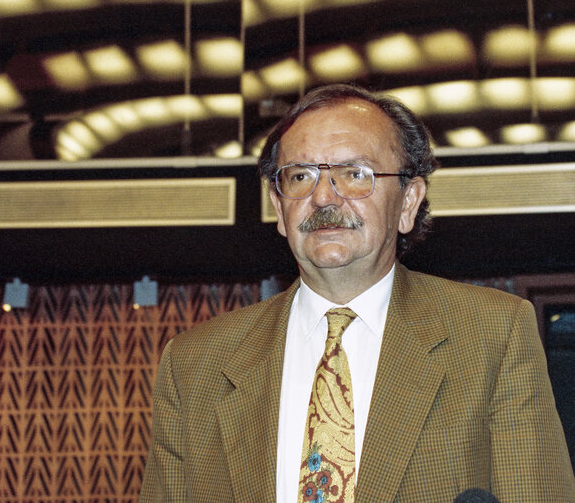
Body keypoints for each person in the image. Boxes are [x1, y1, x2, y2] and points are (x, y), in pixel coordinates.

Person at [138, 84, 575, 502]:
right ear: (278, 208)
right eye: (301, 176)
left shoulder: (492, 336)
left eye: (354, 174)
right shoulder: (195, 365)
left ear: (407, 202)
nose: (324, 196)